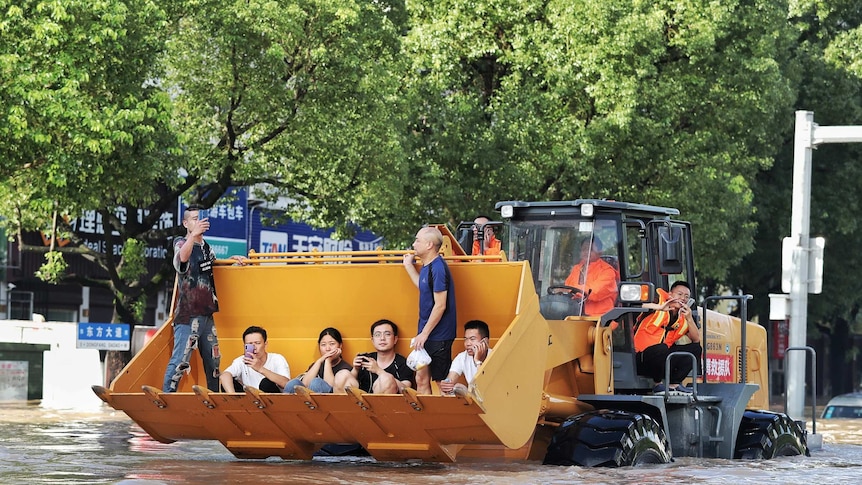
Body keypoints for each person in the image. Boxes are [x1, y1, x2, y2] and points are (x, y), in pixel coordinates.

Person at [162, 205, 246, 393]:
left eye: (201, 219)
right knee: (180, 360)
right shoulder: (181, 241)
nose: (198, 222)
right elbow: (182, 259)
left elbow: (212, 265)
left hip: (207, 313)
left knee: (213, 360)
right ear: (186, 223)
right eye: (194, 219)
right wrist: (193, 235)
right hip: (188, 313)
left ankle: (213, 396)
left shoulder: (206, 247)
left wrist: (231, 259)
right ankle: (168, 396)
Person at [402, 226, 457, 394]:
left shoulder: (438, 268)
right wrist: (408, 266)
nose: (414, 244)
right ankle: (425, 418)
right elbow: (423, 286)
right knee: (421, 378)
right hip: (425, 333)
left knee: (441, 382)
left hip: (439, 335)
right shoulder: (427, 266)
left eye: (418, 240)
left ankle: (444, 417)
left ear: (429, 245)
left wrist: (424, 334)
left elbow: (440, 305)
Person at [634, 281, 702, 394]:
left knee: (696, 349)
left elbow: (696, 339)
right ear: (670, 294)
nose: (683, 298)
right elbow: (637, 305)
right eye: (679, 294)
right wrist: (660, 307)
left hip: (663, 360)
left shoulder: (683, 317)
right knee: (662, 348)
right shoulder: (658, 300)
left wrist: (689, 318)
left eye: (686, 296)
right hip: (642, 358)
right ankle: (657, 384)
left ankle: (674, 384)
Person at [339, 319, 415, 394]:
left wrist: (379, 371)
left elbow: (406, 390)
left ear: (395, 339)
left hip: (387, 405)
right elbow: (348, 384)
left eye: (387, 334)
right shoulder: (365, 359)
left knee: (386, 378)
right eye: (377, 335)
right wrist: (355, 369)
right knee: (342, 374)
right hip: (361, 403)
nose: (382, 338)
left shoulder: (403, 363)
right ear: (372, 340)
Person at [554, 237, 619, 316]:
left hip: (600, 319)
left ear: (600, 253)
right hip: (575, 315)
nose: (586, 252)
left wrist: (571, 290)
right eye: (583, 249)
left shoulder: (607, 271)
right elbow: (567, 287)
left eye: (590, 249)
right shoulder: (576, 268)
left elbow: (594, 292)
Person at [218, 326, 290, 393]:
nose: (254, 347)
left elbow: (286, 384)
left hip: (273, 400)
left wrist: (260, 368)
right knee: (228, 383)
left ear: (265, 344)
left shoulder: (277, 359)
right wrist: (232, 395)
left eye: (257, 343)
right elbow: (224, 376)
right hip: (250, 402)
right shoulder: (241, 361)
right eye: (249, 344)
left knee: (266, 383)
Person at [282, 327, 353, 394]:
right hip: (309, 403)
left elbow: (331, 391)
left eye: (332, 344)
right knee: (293, 383)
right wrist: (320, 361)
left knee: (316, 383)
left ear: (340, 346)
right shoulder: (316, 365)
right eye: (323, 345)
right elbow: (305, 384)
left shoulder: (345, 368)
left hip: (332, 403)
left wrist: (328, 361)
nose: (327, 348)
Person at [439, 320, 492, 395]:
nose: (467, 343)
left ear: (485, 341)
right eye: (465, 339)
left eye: (472, 339)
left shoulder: (494, 356)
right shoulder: (462, 357)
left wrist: (477, 361)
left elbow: (484, 386)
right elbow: (450, 379)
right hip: (474, 398)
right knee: (452, 389)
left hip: (494, 398)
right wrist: (446, 385)